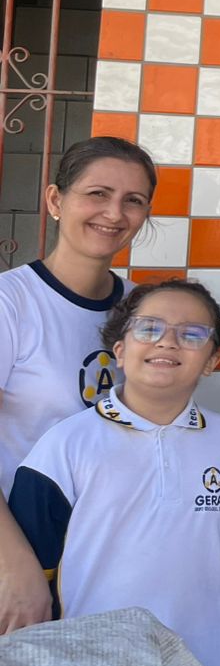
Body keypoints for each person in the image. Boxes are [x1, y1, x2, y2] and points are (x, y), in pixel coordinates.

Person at [8, 279, 220, 666]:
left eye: (191, 334)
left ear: (212, 360)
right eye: (149, 328)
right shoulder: (65, 445)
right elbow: (34, 580)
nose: (167, 342)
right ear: (119, 350)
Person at [0, 135, 155, 634]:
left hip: (111, 557)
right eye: (97, 194)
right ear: (55, 200)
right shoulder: (12, 302)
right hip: (23, 556)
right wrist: (15, 565)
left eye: (133, 200)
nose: (114, 213)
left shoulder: (144, 311)